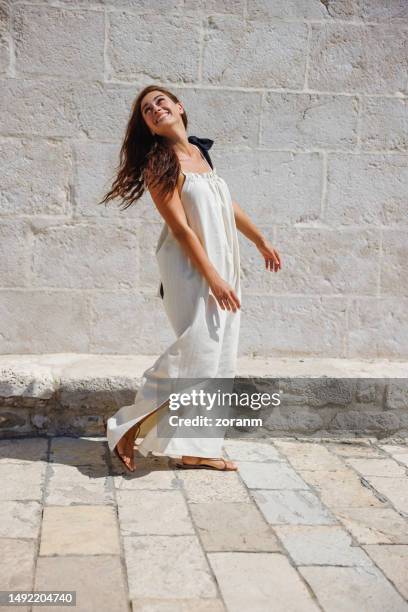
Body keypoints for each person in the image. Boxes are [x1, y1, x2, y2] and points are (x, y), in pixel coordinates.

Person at [98, 85, 281, 472]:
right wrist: (212, 276)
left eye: (161, 101)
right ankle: (124, 424)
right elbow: (180, 230)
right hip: (190, 271)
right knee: (196, 352)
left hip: (222, 266)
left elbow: (223, 203)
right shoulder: (158, 164)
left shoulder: (200, 154)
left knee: (218, 357)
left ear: (179, 107)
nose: (155, 108)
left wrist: (260, 239)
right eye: (147, 110)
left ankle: (196, 447)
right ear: (148, 126)